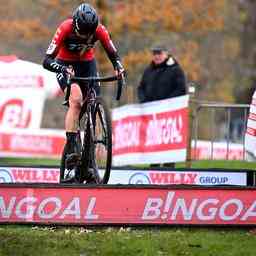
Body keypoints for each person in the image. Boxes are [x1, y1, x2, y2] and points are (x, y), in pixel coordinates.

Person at [43, 3, 125, 182]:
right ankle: (72, 146)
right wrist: (62, 69)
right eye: (83, 33)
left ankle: (92, 156)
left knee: (95, 102)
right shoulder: (65, 27)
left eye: (90, 33)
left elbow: (113, 53)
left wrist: (118, 67)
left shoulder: (100, 30)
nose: (87, 36)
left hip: (87, 65)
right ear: (76, 25)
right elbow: (46, 60)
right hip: (65, 65)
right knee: (77, 100)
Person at [137, 45, 186, 168]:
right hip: (152, 116)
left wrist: (166, 104)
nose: (157, 56)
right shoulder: (148, 70)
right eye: (155, 53)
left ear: (166, 54)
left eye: (159, 53)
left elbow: (181, 90)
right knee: (153, 145)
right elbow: (141, 88)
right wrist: (144, 101)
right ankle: (153, 170)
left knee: (168, 146)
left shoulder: (176, 70)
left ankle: (169, 171)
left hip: (169, 117)